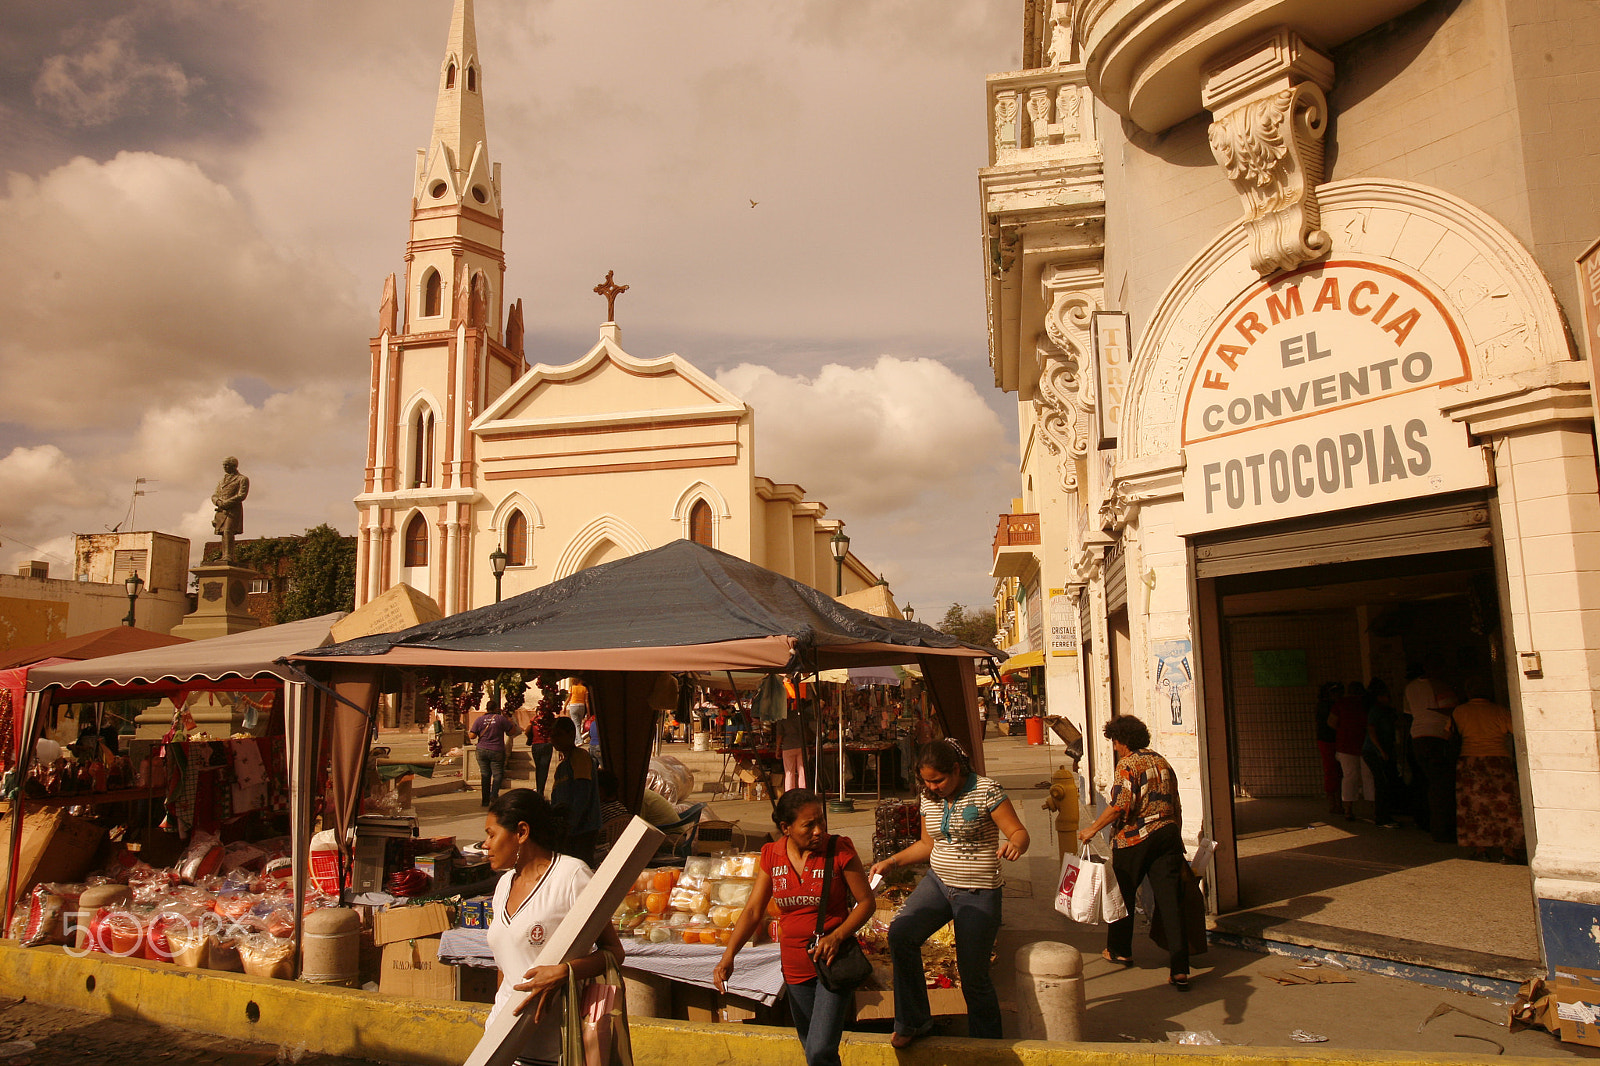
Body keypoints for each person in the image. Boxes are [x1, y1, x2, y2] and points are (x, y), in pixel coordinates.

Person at [869, 740, 1028, 1045]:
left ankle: (988, 1045)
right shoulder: (928, 797)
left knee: (973, 976)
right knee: (901, 934)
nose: (933, 787)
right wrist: (891, 862)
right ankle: (912, 1022)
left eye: (938, 780)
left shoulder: (986, 791)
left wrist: (1015, 844)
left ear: (956, 769)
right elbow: (928, 844)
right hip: (938, 883)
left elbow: (1019, 832)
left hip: (978, 891)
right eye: (926, 781)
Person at [715, 789, 874, 1066]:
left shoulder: (839, 849)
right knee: (815, 1051)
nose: (818, 831)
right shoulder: (772, 854)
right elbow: (753, 911)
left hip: (833, 964)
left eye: (820, 822)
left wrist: (837, 935)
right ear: (786, 828)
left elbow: (866, 903)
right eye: (809, 825)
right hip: (794, 969)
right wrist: (729, 955)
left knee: (819, 1049)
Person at [482, 789, 625, 1066]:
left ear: (521, 832)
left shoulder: (571, 876)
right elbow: (505, 966)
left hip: (553, 1048)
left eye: (491, 834)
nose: (485, 845)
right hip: (502, 1042)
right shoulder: (502, 885)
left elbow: (613, 952)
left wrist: (564, 972)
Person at [1077, 714, 1191, 989]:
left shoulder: (1127, 765)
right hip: (1167, 834)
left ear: (1123, 740)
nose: (1114, 747)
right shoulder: (1161, 761)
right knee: (1170, 901)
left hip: (1136, 838)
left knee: (1122, 896)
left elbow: (1120, 805)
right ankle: (1180, 969)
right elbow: (1176, 802)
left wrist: (1092, 829)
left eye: (1115, 741)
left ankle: (1120, 950)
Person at [1452, 680, 1525, 863]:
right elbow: (1515, 731)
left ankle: (1480, 849)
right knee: (1506, 805)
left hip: (1470, 760)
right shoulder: (1500, 711)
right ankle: (1508, 850)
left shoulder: (1459, 711)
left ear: (1468, 693)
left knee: (1474, 807)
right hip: (1498, 761)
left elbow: (1451, 733)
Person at [1408, 669, 1458, 843]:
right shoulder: (1439, 684)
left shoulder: (1410, 688)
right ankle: (1443, 830)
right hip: (1438, 735)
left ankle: (1425, 822)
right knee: (1442, 785)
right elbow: (1450, 708)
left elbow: (1409, 712)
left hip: (1416, 736)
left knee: (1425, 781)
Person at [550, 717, 601, 864]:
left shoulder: (580, 757)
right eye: (552, 735)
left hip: (582, 830)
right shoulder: (562, 767)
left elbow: (582, 793)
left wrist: (571, 824)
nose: (554, 739)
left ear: (571, 734)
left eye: (558, 734)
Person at [1362, 679, 1401, 828]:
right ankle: (1382, 817)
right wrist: (1381, 750)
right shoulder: (1376, 710)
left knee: (1384, 782)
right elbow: (1371, 731)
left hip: (1380, 750)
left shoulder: (1385, 710)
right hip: (1373, 751)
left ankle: (1385, 814)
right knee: (1381, 782)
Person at [1332, 682, 1372, 821]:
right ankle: (1374, 808)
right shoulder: (1367, 703)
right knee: (1369, 776)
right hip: (1365, 744)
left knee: (1349, 777)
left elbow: (1331, 722)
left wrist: (1343, 729)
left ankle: (1348, 810)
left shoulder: (1341, 703)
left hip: (1345, 744)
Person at [469, 702, 519, 807]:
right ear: (496, 708)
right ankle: (494, 794)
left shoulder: (479, 720)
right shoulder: (501, 719)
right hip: (497, 750)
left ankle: (485, 800)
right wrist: (509, 721)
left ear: (486, 708)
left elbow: (472, 736)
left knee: (485, 775)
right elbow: (512, 731)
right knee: (498, 774)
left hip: (482, 750)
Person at [210, 456, 249, 564]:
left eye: (226, 465)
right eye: (223, 465)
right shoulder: (221, 481)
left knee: (228, 531)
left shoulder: (242, 479)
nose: (224, 467)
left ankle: (228, 556)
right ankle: (224, 555)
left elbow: (242, 495)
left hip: (233, 510)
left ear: (234, 466)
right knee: (223, 532)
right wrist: (218, 502)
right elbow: (214, 495)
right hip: (221, 510)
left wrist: (227, 503)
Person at [1313, 682, 1343, 816]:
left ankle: (1335, 804)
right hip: (1331, 740)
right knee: (1335, 772)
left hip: (1325, 740)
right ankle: (1336, 804)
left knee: (1332, 772)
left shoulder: (1321, 705)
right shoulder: (1332, 706)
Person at [775, 709, 811, 793]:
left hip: (788, 747)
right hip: (801, 745)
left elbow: (779, 735)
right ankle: (803, 793)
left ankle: (790, 794)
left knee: (789, 772)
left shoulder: (782, 717)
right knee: (802, 771)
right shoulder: (800, 715)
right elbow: (806, 731)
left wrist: (777, 749)